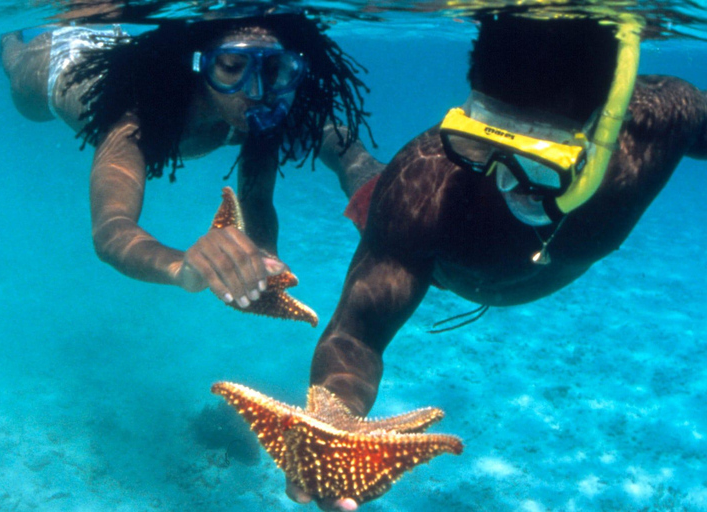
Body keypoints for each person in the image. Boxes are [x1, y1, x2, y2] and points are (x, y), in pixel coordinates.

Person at [284, 11, 707, 510]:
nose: (502, 183)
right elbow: (356, 333)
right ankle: (340, 144)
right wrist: (335, 421)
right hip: (430, 258)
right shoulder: (424, 185)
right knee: (365, 179)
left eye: (537, 166)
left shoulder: (662, 123)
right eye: (477, 147)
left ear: (601, 141)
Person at [0, 11, 381, 310]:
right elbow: (111, 230)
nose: (256, 91)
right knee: (16, 71)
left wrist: (263, 257)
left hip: (114, 44)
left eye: (273, 69)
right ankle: (7, 40)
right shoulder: (135, 119)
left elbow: (258, 198)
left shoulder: (260, 111)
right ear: (199, 66)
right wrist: (182, 267)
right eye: (232, 67)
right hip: (54, 65)